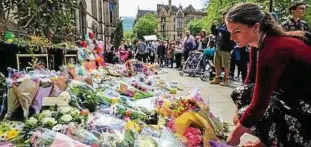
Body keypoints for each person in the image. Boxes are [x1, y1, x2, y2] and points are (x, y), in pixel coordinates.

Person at [225, 3, 311, 147]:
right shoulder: (258, 43)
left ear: (256, 27)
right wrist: (242, 114)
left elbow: (260, 104)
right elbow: (250, 82)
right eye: (230, 32)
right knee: (241, 96)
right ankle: (265, 140)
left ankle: (282, 140)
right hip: (292, 95)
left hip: (305, 107)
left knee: (251, 115)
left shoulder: (274, 50)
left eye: (237, 31)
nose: (232, 38)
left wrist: (236, 133)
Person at [210, 11, 235, 86]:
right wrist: (213, 26)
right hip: (218, 47)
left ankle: (225, 80)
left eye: (225, 17)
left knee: (226, 65)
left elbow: (228, 33)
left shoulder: (231, 25)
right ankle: (217, 79)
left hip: (226, 48)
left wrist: (219, 29)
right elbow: (215, 33)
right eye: (223, 17)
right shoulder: (222, 25)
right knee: (217, 64)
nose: (223, 18)